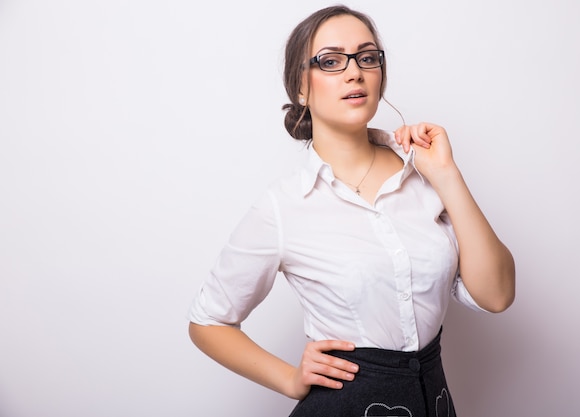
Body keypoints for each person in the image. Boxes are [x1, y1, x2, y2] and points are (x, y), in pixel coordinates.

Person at [187, 5, 515, 416]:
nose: (354, 71)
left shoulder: (425, 172)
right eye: (330, 61)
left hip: (434, 401)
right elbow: (208, 322)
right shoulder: (284, 206)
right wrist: (289, 379)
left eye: (367, 57)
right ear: (301, 88)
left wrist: (447, 175)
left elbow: (498, 295)